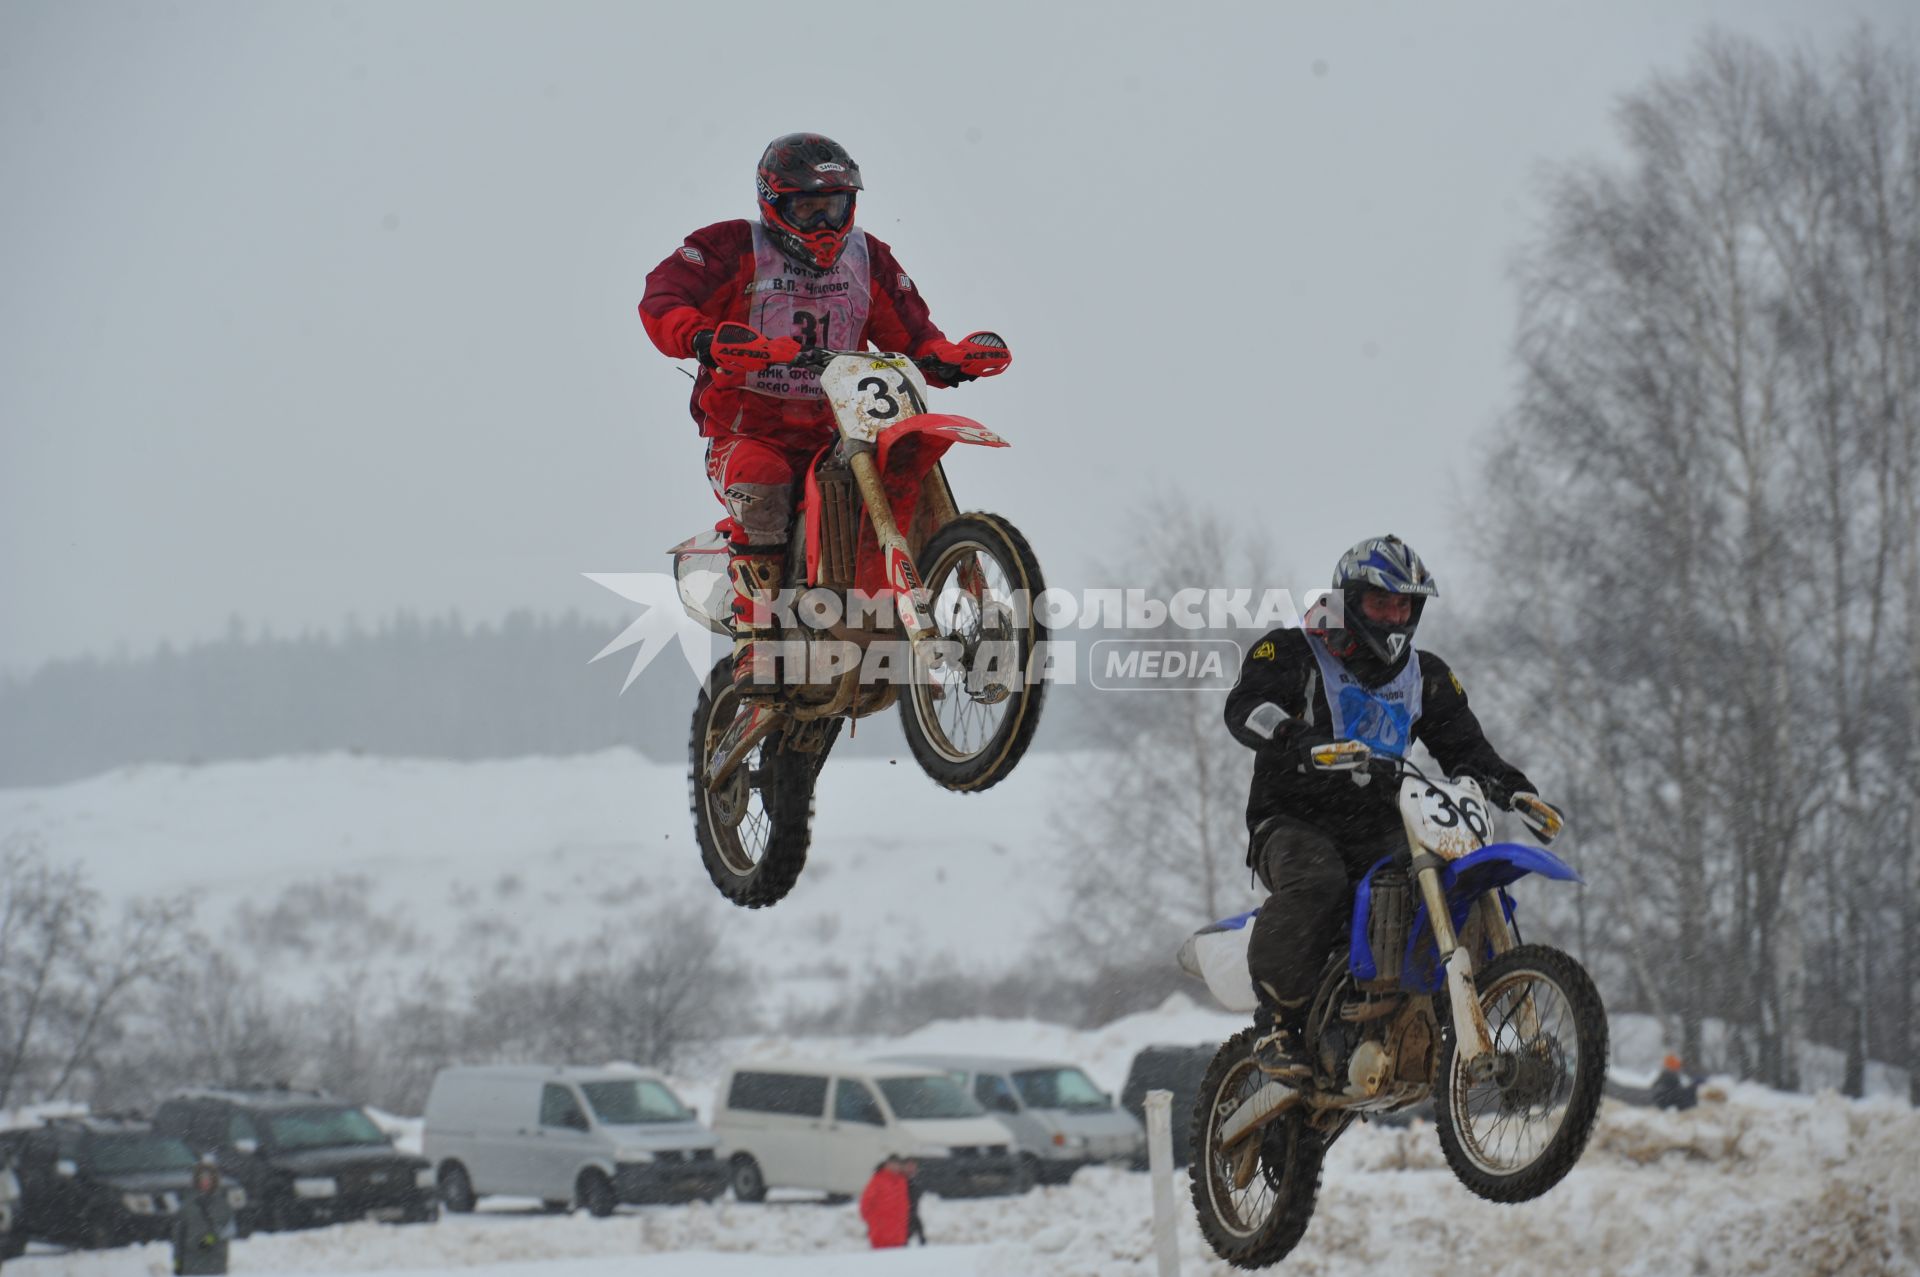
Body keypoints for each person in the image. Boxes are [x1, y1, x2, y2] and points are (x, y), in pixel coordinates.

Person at [639, 133, 1012, 765]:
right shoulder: (729, 247)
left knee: (911, 461)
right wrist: (703, 336)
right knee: (761, 483)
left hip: (844, 422)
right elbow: (662, 299)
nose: (824, 222)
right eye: (810, 208)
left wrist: (948, 357)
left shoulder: (868, 259)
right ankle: (758, 632)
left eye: (836, 207)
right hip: (748, 427)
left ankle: (977, 608)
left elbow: (913, 331)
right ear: (773, 203)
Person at [1223, 534, 1564, 1075]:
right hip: (1291, 818)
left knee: (1451, 881)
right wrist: (1296, 737)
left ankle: (1422, 1008)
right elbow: (1244, 708)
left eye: (1404, 605)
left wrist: (1513, 788)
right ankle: (1276, 1025)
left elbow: (1465, 748)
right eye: (1382, 603)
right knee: (1319, 881)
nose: (1393, 616)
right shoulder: (1291, 650)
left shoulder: (1425, 675)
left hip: (1384, 821)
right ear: (1350, 600)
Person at [171, 1162, 235, 1276]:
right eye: (202, 1178)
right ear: (197, 1180)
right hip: (191, 1267)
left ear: (214, 1180)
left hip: (215, 1267)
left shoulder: (222, 1204)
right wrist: (177, 1264)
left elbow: (229, 1230)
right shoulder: (187, 1205)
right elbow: (178, 1237)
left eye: (208, 1178)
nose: (205, 1182)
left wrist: (211, 1239)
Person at [858, 1154, 917, 1249]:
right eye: (892, 1164)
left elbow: (906, 1205)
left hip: (899, 1234)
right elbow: (865, 1203)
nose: (895, 1167)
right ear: (887, 1164)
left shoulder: (902, 1181)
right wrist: (874, 1221)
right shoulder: (878, 1179)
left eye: (897, 1164)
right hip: (881, 1234)